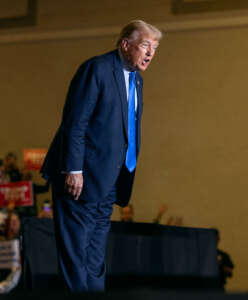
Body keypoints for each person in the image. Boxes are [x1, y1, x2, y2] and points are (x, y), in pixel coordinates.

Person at [40, 20, 162, 292]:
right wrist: (73, 170)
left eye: (154, 47)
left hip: (109, 179)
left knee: (95, 257)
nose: (151, 53)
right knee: (76, 255)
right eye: (145, 45)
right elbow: (75, 123)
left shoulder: (137, 80)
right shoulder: (97, 69)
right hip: (79, 178)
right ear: (125, 44)